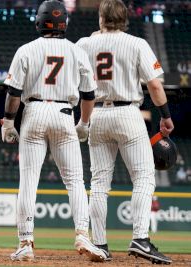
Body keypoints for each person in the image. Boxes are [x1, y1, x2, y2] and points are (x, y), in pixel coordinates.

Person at [1, 0, 105, 262]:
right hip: (64, 114)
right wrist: (84, 123)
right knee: (75, 182)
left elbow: (13, 93)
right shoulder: (76, 50)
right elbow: (89, 94)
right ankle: (82, 234)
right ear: (64, 24)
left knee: (28, 182)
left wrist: (9, 121)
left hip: (34, 112)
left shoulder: (26, 49)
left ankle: (25, 242)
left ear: (39, 21)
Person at [76, 0, 174, 264]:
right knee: (143, 177)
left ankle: (99, 244)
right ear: (124, 18)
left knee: (98, 184)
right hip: (128, 112)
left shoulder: (84, 44)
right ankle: (140, 238)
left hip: (96, 113)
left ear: (101, 18)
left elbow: (72, 81)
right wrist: (165, 116)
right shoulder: (137, 43)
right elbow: (154, 85)